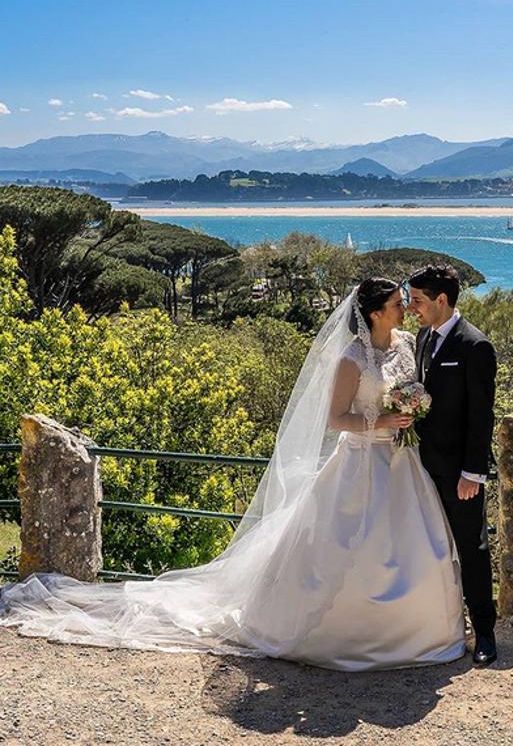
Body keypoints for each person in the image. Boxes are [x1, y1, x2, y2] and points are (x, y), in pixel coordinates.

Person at [0, 278, 465, 671]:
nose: (405, 307)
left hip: (403, 467)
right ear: (374, 313)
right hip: (360, 464)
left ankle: (413, 633)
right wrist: (381, 422)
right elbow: (335, 419)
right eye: (397, 303)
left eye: (406, 301)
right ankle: (347, 637)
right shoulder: (352, 360)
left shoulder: (408, 345)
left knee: (412, 548)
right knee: (346, 551)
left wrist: (412, 413)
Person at [406, 265, 497, 666]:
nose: (413, 309)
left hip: (460, 473)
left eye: (419, 301)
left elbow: (482, 417)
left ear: (442, 300)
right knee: (428, 547)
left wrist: (472, 474)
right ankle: (436, 627)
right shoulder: (424, 337)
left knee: (471, 549)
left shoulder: (475, 346)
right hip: (421, 466)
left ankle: (486, 634)